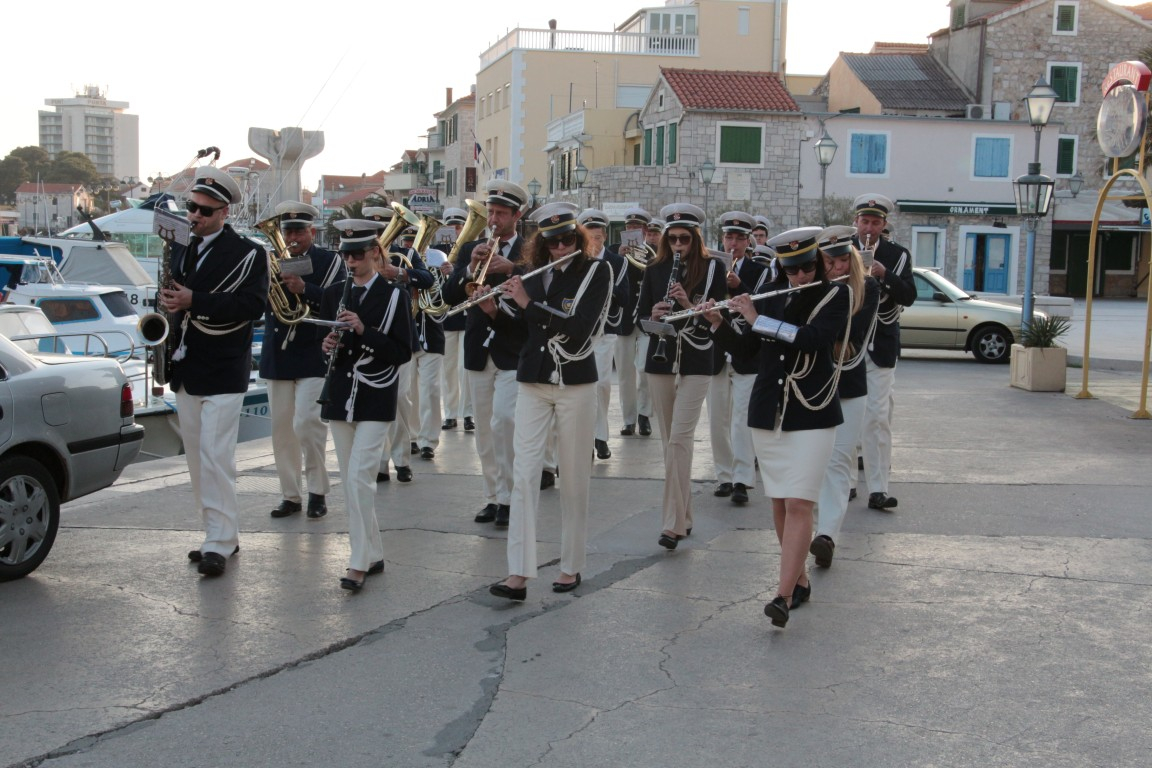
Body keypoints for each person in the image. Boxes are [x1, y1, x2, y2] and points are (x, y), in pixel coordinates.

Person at [705, 226, 848, 629]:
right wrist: (719, 323)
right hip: (770, 411)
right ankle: (798, 579)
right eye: (792, 270)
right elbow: (749, 352)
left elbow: (811, 339)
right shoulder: (776, 294)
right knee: (781, 503)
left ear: (818, 264)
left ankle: (781, 596)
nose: (800, 277)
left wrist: (756, 317)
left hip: (812, 412)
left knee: (801, 502)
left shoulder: (837, 294)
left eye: (806, 268)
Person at [488, 202, 612, 601]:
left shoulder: (597, 271)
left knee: (574, 477)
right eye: (552, 242)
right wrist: (493, 311)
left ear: (578, 238)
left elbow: (578, 329)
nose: (560, 248)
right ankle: (518, 573)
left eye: (567, 240)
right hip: (534, 379)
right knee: (524, 475)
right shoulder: (530, 275)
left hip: (575, 381)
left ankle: (570, 565)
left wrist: (526, 303)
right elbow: (525, 329)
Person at [164, 166, 269, 578]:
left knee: (215, 456)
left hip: (225, 368)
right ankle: (217, 532)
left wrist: (195, 300)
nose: (194, 216)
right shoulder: (182, 248)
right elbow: (180, 301)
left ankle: (219, 544)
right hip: (188, 365)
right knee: (196, 458)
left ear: (224, 212)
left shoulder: (249, 254)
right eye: (192, 207)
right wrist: (172, 302)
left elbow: (252, 307)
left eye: (204, 211)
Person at [320, 220, 413, 592]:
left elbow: (401, 352)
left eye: (358, 254)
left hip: (376, 394)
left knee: (360, 477)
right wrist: (326, 345)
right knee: (351, 480)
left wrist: (362, 330)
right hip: (340, 395)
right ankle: (372, 552)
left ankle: (357, 561)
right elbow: (323, 343)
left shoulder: (393, 296)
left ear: (375, 252)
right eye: (346, 254)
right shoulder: (334, 294)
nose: (351, 261)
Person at [636, 203, 727, 550]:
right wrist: (655, 313)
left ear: (695, 239)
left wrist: (687, 304)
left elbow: (719, 317)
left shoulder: (714, 269)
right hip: (661, 359)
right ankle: (685, 516)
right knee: (670, 443)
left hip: (698, 358)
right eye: (672, 239)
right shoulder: (656, 268)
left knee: (679, 439)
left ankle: (671, 524)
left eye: (684, 239)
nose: (677, 245)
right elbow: (639, 316)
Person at [442, 179, 530, 528]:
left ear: (516, 216)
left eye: (500, 214)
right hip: (478, 346)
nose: (493, 219)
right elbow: (450, 296)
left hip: (513, 347)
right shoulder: (472, 248)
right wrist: (467, 269)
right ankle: (492, 497)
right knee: (483, 429)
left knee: (505, 421)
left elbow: (539, 286)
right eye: (490, 212)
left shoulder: (528, 251)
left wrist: (512, 270)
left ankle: (510, 496)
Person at [262, 201, 345, 520]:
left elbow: (336, 301)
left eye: (298, 230)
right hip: (278, 354)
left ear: (312, 230)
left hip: (313, 353)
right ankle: (290, 495)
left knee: (308, 425)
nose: (292, 237)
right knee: (282, 430)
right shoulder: (272, 259)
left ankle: (318, 492)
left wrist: (304, 288)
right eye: (287, 231)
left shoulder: (329, 260)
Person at [811, 225, 880, 569]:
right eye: (828, 261)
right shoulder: (812, 286)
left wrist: (819, 330)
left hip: (849, 388)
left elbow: (851, 343)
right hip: (811, 388)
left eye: (842, 260)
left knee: (838, 462)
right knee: (813, 464)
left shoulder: (867, 287)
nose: (836, 268)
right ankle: (806, 530)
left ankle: (827, 535)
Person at [852, 194, 916, 511]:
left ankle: (877, 488)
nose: (870, 227)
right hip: (847, 344)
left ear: (884, 224)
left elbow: (910, 295)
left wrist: (883, 274)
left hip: (881, 344)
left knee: (877, 418)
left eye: (876, 222)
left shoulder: (898, 255)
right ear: (856, 222)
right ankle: (846, 480)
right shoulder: (843, 249)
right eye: (865, 221)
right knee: (846, 415)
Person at [708, 211, 770, 505]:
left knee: (742, 419)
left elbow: (762, 306)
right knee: (717, 418)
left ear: (749, 242)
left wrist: (739, 286)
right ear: (722, 239)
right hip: (718, 350)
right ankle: (724, 476)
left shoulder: (761, 270)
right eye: (729, 237)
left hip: (747, 351)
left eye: (739, 238)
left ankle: (742, 480)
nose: (733, 244)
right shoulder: (711, 268)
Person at [375, 222, 434, 482]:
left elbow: (428, 279)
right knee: (373, 404)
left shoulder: (407, 255)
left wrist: (397, 272)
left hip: (401, 337)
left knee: (400, 400)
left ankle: (401, 460)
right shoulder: (355, 257)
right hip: (369, 337)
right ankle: (379, 463)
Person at [577, 208, 629, 461]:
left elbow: (625, 298)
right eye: (589, 236)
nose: (593, 242)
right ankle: (589, 437)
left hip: (606, 329)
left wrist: (602, 283)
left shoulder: (618, 262)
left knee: (602, 384)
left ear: (605, 237)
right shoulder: (576, 259)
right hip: (579, 329)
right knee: (584, 386)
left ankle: (601, 436)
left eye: (597, 237)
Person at [614, 206, 655, 439]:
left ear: (645, 230)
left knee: (644, 369)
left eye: (637, 228)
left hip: (646, 317)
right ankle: (628, 419)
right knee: (624, 373)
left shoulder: (654, 254)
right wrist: (619, 257)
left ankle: (644, 415)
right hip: (624, 319)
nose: (632, 231)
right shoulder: (616, 253)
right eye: (629, 227)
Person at [438, 207, 474, 433]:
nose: (456, 230)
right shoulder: (436, 251)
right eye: (451, 227)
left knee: (466, 368)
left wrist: (455, 273)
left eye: (459, 226)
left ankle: (468, 412)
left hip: (468, 314)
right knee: (448, 369)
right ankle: (450, 413)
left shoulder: (471, 250)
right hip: (448, 316)